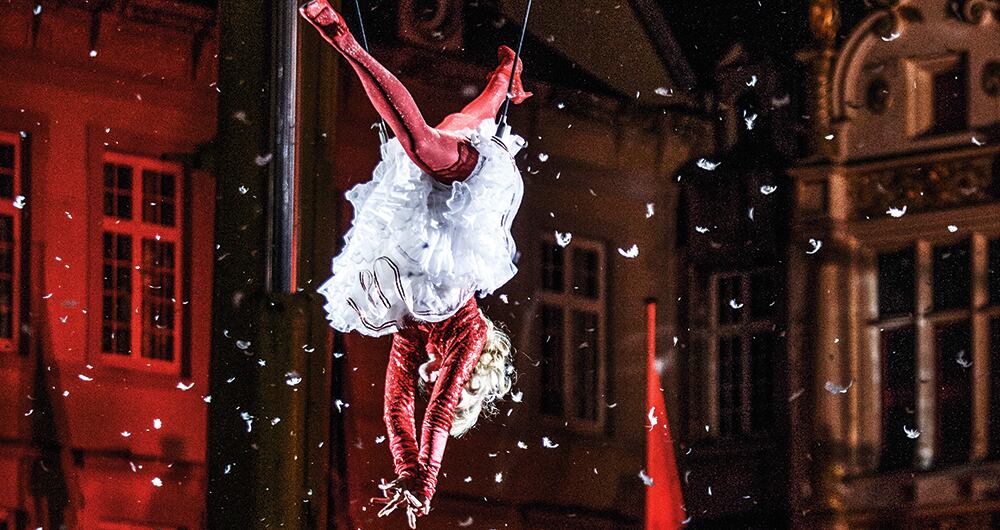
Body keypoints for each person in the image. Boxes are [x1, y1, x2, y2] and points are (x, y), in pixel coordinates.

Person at [299, 1, 530, 526]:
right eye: (438, 375)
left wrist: (403, 468)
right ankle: (347, 45)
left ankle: (505, 75)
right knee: (426, 142)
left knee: (464, 120)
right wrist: (425, 479)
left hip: (425, 224)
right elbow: (437, 412)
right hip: (468, 204)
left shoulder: (408, 329)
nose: (424, 372)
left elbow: (395, 408)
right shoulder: (465, 336)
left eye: (423, 376)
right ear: (459, 372)